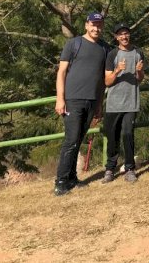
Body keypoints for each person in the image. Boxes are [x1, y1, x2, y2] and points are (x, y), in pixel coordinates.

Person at [53, 12, 110, 196]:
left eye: (99, 25)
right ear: (86, 25)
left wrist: (100, 103)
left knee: (78, 139)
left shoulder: (104, 48)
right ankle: (61, 181)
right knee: (70, 140)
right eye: (93, 24)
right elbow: (61, 72)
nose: (96, 28)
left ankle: (71, 178)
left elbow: (102, 79)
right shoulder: (74, 43)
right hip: (73, 99)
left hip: (92, 100)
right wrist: (60, 98)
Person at [102, 23, 145, 184]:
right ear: (116, 37)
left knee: (128, 135)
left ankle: (130, 168)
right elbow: (107, 81)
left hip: (131, 102)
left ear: (129, 35)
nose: (124, 37)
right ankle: (110, 168)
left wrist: (139, 71)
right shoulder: (112, 54)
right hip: (114, 103)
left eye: (126, 33)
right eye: (120, 34)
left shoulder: (138, 52)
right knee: (112, 137)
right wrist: (117, 70)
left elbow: (140, 78)